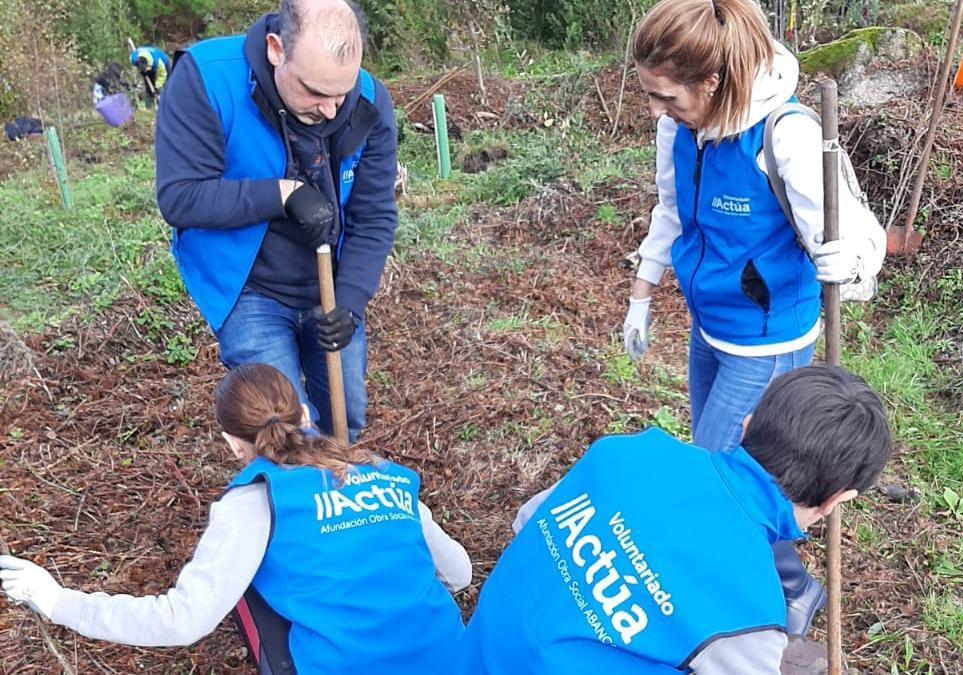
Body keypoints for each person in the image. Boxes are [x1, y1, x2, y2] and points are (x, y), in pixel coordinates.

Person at [618, 0, 885, 641]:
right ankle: (792, 588)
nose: (655, 110)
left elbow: (862, 237)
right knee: (739, 480)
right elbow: (671, 211)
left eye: (665, 96)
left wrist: (849, 258)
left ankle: (728, 611)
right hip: (710, 329)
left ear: (712, 82)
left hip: (769, 342)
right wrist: (642, 293)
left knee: (716, 485)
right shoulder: (679, 129)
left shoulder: (783, 136)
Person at [0, 363, 471, 674]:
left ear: (231, 442)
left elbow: (183, 621)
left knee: (252, 589)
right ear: (305, 413)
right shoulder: (385, 473)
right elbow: (459, 573)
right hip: (457, 660)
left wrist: (56, 601)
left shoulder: (255, 502)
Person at [451, 365, 893, 674]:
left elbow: (527, 520)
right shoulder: (748, 613)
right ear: (837, 500)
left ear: (747, 425)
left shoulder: (623, 452)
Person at [155, 0, 398, 442]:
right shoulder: (207, 78)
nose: (329, 110)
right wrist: (281, 195)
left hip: (330, 286)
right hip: (250, 289)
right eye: (314, 92)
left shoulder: (368, 101)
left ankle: (340, 500)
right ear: (275, 50)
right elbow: (181, 196)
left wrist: (350, 299)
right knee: (285, 434)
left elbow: (374, 214)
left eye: (339, 94)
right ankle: (292, 502)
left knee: (347, 422)